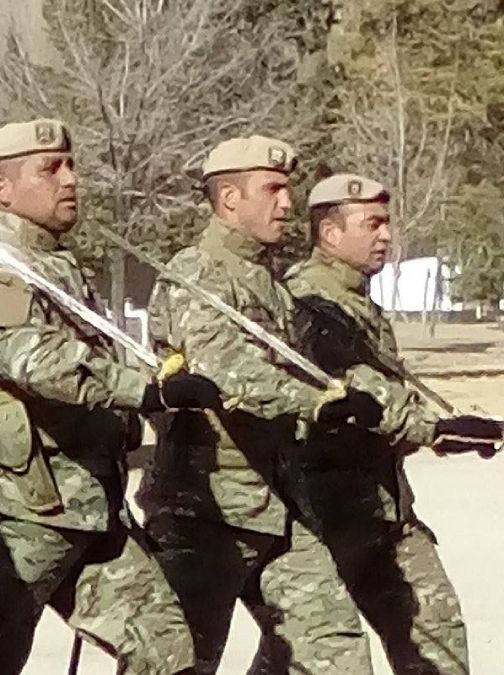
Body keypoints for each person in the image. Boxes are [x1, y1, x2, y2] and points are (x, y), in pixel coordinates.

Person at [0, 118, 220, 675]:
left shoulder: (57, 266)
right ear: (2, 190)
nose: (70, 179)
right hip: (17, 511)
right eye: (50, 169)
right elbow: (35, 358)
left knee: (169, 654)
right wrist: (145, 389)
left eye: (71, 165)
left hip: (92, 510)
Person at [138, 135, 380, 673]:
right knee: (183, 661)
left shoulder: (267, 282)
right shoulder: (196, 273)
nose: (287, 205)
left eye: (287, 190)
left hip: (278, 503)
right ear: (228, 200)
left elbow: (312, 365)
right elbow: (230, 371)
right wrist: (317, 403)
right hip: (204, 509)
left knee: (334, 651)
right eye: (272, 190)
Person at [287, 173, 503, 674]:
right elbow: (354, 386)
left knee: (437, 638)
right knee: (301, 656)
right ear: (330, 233)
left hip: (386, 514)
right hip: (326, 516)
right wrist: (433, 428)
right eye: (373, 224)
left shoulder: (359, 301)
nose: (386, 235)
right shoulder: (307, 303)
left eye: (387, 223)